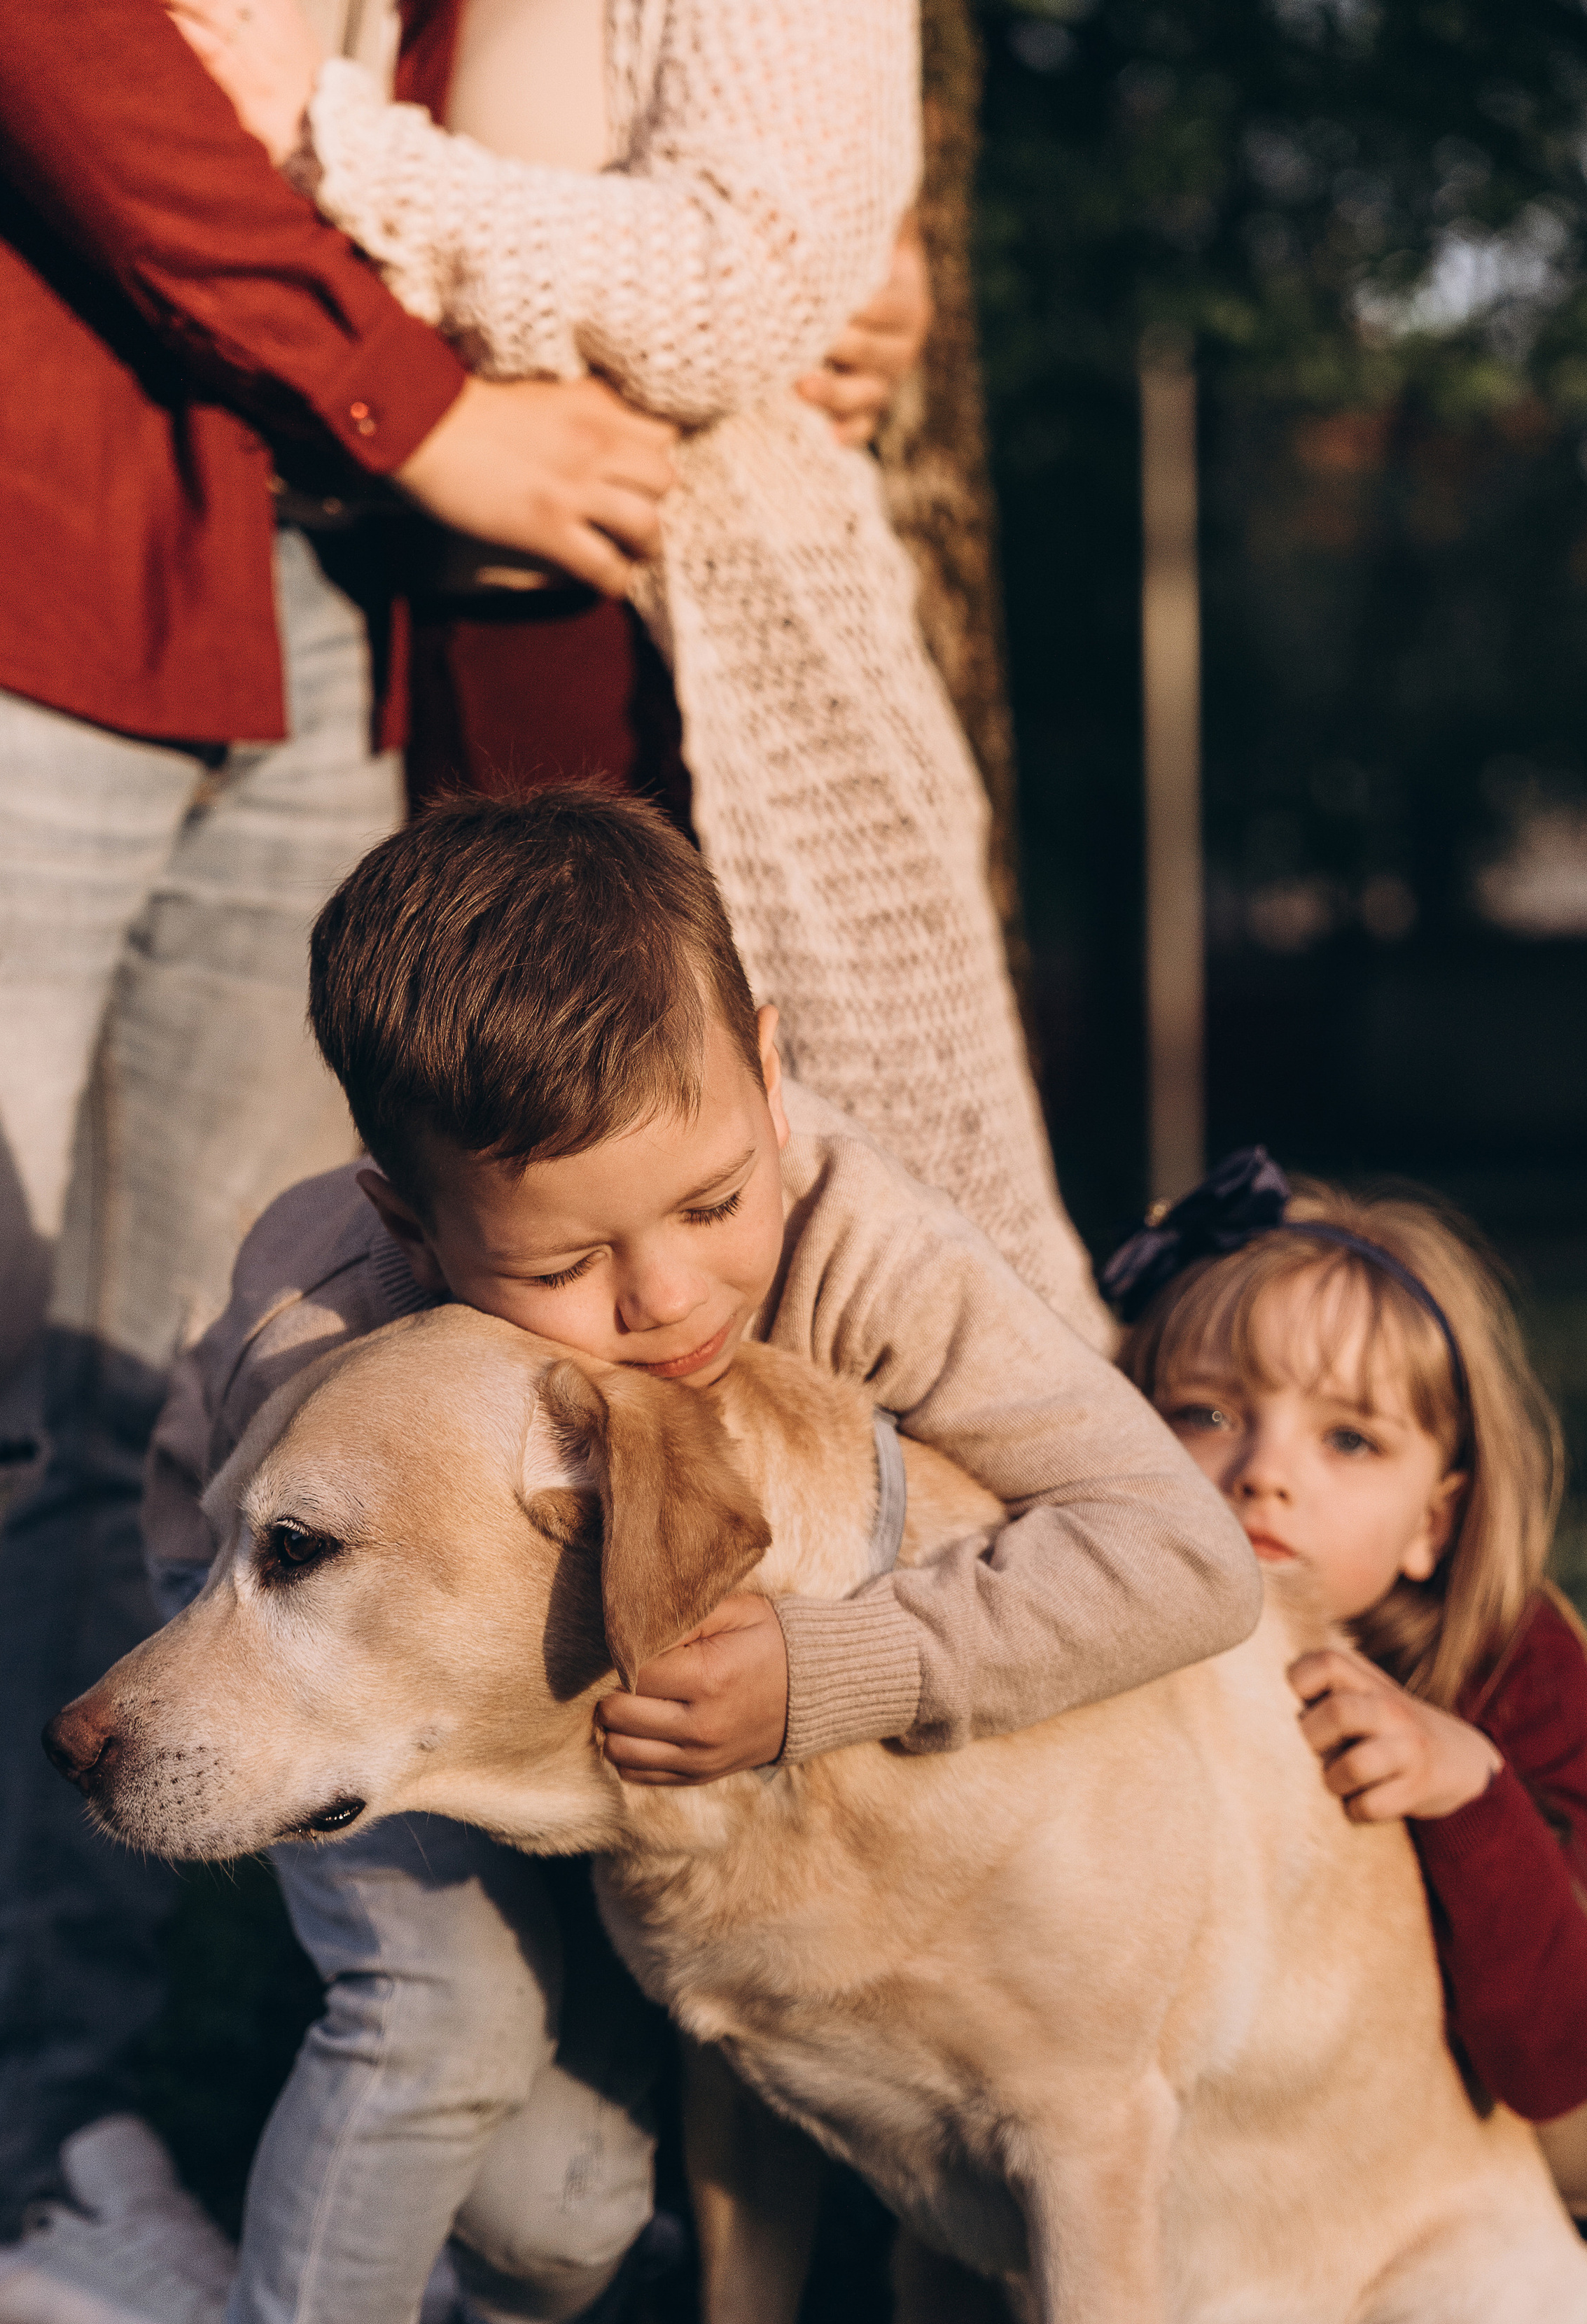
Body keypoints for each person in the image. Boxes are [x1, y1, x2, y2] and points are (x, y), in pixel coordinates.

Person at [125, 784, 1261, 2324]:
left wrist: (837, 1669)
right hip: (317, 1691)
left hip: (610, 1776)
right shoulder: (333, 1306)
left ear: (770, 1069)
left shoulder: (849, 1236)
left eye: (711, 1202)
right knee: (438, 2021)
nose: (665, 1303)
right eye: (561, 1269)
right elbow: (275, 1578)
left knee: (568, 2206)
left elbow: (1176, 1553)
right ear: (416, 1222)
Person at [0, 0, 678, 2324]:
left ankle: (37, 2148)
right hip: (3, 531)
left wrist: (742, 291)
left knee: (152, 1405)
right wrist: (430, 410)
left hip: (325, 611)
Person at [165, 0, 1112, 1345]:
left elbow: (738, 287)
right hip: (372, 679)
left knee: (780, 1288)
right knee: (432, 1312)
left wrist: (334, 144)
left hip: (660, 674)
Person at [1110, 1149, 1587, 2324]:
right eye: (1207, 1414)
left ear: (1433, 1527)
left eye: (1348, 1438)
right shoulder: (1108, 1641)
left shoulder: (1511, 1662)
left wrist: (1468, 1791)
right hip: (1296, 2123)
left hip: (1529, 2066)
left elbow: (1559, 2056)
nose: (1265, 1473)